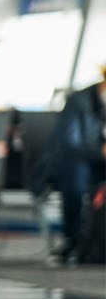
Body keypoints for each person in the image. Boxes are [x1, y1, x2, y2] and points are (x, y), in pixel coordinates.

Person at [47, 70, 106, 263]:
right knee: (76, 172)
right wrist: (102, 152)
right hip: (73, 165)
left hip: (97, 166)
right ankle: (75, 241)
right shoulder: (78, 102)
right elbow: (70, 146)